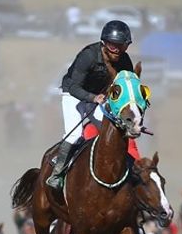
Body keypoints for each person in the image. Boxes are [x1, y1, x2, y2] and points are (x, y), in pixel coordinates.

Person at [48, 20, 136, 189]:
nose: (117, 51)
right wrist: (93, 98)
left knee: (114, 131)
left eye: (122, 46)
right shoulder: (88, 56)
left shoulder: (124, 61)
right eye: (113, 46)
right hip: (74, 94)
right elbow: (74, 87)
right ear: (104, 43)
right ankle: (57, 173)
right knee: (75, 135)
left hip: (99, 96)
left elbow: (128, 86)